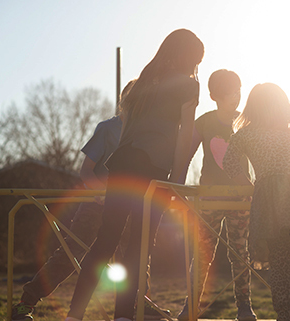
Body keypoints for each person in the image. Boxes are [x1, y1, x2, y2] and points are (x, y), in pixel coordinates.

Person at [65, 29, 204, 321]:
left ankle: (74, 315)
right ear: (189, 58)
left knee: (106, 240)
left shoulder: (143, 81)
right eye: (196, 61)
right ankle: (123, 316)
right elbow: (185, 135)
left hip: (122, 164)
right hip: (151, 169)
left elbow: (127, 129)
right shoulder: (188, 85)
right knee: (140, 245)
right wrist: (176, 180)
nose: (196, 68)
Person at [11, 80, 169, 321]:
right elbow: (87, 170)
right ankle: (26, 302)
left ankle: (138, 303)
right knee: (70, 252)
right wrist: (101, 192)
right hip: (97, 205)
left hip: (130, 205)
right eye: (133, 101)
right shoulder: (108, 129)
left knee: (136, 254)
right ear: (123, 102)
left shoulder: (146, 134)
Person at [223, 83, 290, 321]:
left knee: (280, 255)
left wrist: (250, 189)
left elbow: (229, 163)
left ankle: (286, 313)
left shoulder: (246, 133)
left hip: (273, 195)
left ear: (253, 108)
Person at [176, 69, 256, 321]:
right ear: (214, 96)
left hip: (241, 198)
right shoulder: (205, 122)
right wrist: (177, 186)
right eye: (230, 92)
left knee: (240, 252)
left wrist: (258, 187)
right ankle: (191, 306)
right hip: (209, 197)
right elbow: (186, 154)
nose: (236, 96)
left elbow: (258, 158)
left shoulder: (245, 122)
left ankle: (244, 307)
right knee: (202, 252)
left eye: (239, 90)